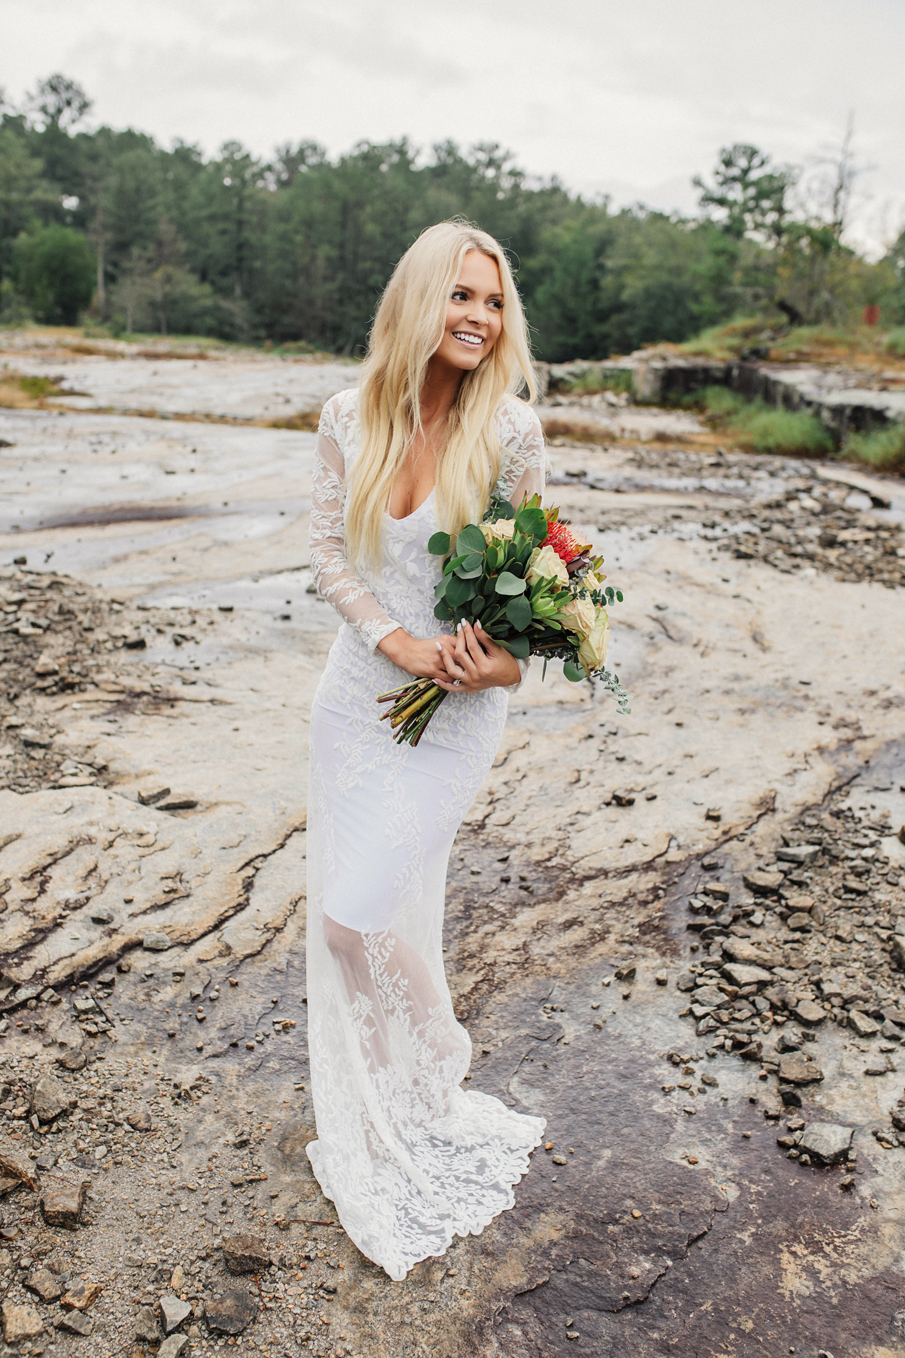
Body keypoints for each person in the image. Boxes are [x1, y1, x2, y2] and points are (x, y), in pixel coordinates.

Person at [306, 220, 546, 1282]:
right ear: (417, 299)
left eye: (492, 303)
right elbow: (324, 553)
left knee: (354, 912)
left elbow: (527, 608)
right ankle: (384, 1090)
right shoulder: (343, 416)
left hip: (452, 714)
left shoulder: (513, 430)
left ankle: (434, 1061)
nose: (478, 318)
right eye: (460, 295)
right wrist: (392, 637)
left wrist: (488, 660)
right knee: (354, 920)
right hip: (356, 699)